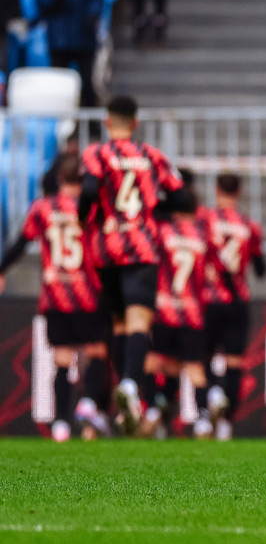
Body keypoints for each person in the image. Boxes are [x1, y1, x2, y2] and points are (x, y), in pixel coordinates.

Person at [77, 95, 186, 433]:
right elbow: (180, 194)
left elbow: (90, 188)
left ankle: (124, 408)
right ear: (136, 123)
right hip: (141, 245)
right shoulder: (151, 155)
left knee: (119, 323)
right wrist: (153, 207)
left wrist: (86, 220)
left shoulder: (96, 152)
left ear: (108, 121)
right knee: (140, 321)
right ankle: (128, 387)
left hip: (107, 246)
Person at [0, 153, 111, 441]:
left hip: (55, 294)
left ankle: (60, 423)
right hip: (88, 291)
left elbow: (22, 243)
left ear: (59, 178)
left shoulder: (43, 208)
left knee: (62, 359)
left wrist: (1, 269)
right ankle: (87, 404)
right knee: (96, 351)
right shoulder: (93, 208)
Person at [138, 187, 216, 439]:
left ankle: (151, 411)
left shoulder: (162, 232)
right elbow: (213, 272)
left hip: (165, 309)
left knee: (153, 362)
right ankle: (203, 419)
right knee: (194, 368)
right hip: (192, 311)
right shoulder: (204, 235)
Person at [200, 172, 266, 440]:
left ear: (217, 190)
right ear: (239, 192)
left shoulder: (205, 220)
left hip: (208, 299)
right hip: (237, 300)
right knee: (234, 363)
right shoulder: (250, 226)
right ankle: (227, 423)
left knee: (202, 359)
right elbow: (261, 270)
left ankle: (208, 409)